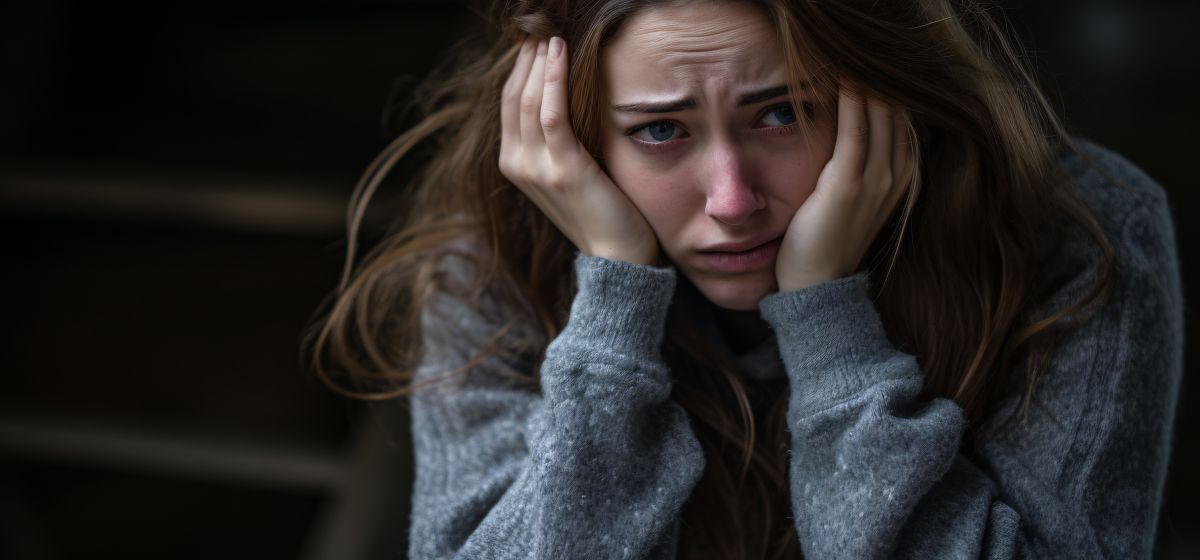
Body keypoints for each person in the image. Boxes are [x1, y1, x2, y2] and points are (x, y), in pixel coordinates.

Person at [307, 0, 1183, 558]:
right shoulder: (491, 262)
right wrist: (613, 303)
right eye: (660, 131)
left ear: (882, 93)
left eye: (781, 113)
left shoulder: (1077, 235)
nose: (732, 200)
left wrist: (830, 328)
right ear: (566, 136)